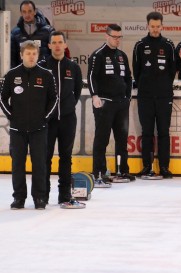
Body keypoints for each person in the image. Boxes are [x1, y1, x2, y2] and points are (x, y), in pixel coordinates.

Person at [0, 40, 58, 209]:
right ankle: (19, 198)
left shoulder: (46, 75)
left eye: (34, 54)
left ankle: (39, 198)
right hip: (17, 129)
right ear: (21, 55)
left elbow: (54, 99)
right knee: (17, 164)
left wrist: (45, 118)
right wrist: (11, 116)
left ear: (38, 55)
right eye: (28, 54)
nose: (31, 57)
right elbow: (2, 98)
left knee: (39, 164)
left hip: (39, 128)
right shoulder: (11, 75)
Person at [38, 31, 83, 204]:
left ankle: (64, 194)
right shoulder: (42, 67)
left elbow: (77, 91)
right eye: (54, 42)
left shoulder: (73, 67)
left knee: (66, 157)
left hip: (67, 119)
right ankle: (43, 194)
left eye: (60, 42)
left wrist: (67, 106)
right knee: (45, 157)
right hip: (47, 120)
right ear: (49, 45)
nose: (57, 45)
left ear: (65, 45)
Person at [87, 24, 135, 183]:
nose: (117, 40)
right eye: (114, 37)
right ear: (106, 36)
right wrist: (94, 96)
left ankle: (122, 171)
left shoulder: (122, 55)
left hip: (121, 103)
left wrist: (127, 96)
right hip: (104, 103)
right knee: (102, 139)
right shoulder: (97, 55)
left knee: (122, 139)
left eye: (119, 37)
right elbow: (91, 77)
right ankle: (99, 172)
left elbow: (128, 78)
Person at [133, 12, 176, 179]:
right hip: (145, 96)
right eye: (152, 26)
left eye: (158, 26)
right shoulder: (140, 45)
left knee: (164, 132)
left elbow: (172, 70)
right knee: (147, 132)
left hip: (165, 96)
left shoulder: (168, 45)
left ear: (162, 26)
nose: (155, 29)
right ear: (147, 26)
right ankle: (146, 166)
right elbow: (136, 71)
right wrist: (146, 86)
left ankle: (164, 167)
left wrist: (163, 85)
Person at [11, 1, 54, 68]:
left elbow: (54, 53)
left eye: (30, 11)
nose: (27, 14)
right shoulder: (15, 33)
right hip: (23, 73)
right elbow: (12, 57)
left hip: (43, 72)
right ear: (21, 13)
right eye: (24, 12)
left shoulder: (48, 31)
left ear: (35, 12)